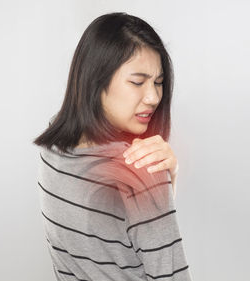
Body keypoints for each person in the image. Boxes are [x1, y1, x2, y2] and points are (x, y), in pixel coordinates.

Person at [33, 12, 193, 280]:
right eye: (137, 82)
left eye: (159, 82)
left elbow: (116, 240)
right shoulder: (140, 170)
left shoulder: (53, 147)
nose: (153, 97)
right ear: (96, 81)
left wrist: (169, 177)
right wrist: (158, 180)